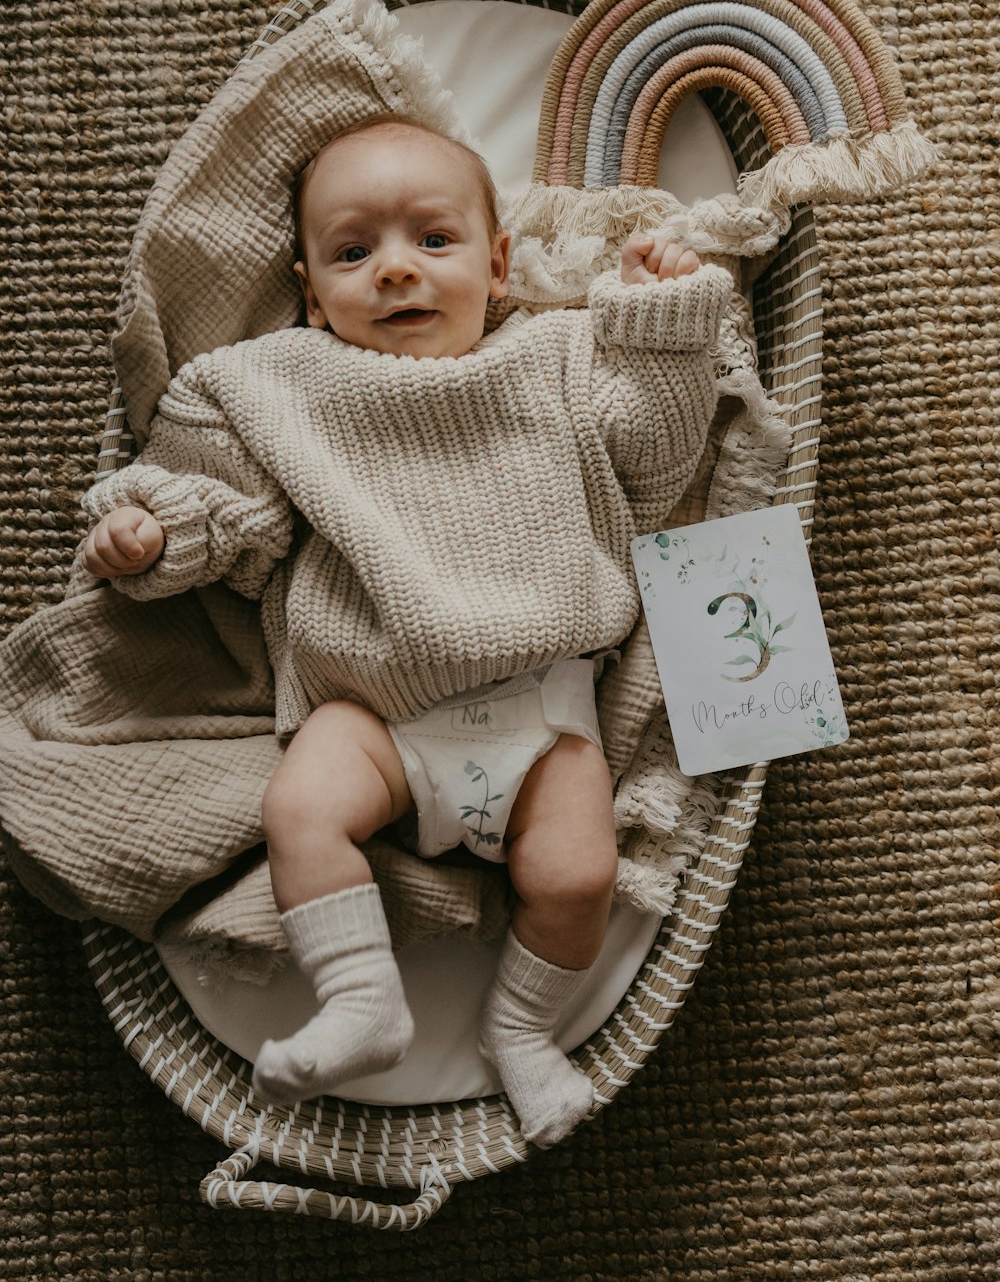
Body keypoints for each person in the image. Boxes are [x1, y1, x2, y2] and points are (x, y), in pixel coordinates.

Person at [82, 113, 732, 1146]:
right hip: (371, 713)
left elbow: (654, 464)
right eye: (354, 251)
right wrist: (154, 533)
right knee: (302, 805)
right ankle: (359, 1000)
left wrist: (663, 325)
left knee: (577, 872)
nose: (393, 272)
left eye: (432, 241)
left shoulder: (558, 357)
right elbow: (233, 519)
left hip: (539, 712)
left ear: (500, 264)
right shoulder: (280, 388)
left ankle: (521, 1034)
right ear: (307, 290)